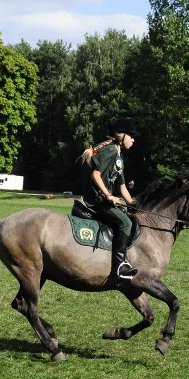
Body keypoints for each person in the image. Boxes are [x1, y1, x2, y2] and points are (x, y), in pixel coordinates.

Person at [80, 117, 139, 282]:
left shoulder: (119, 158)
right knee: (125, 223)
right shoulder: (111, 151)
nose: (133, 140)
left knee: (128, 217)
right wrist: (108, 195)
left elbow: (122, 188)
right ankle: (119, 266)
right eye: (131, 136)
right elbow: (95, 174)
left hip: (105, 199)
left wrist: (134, 204)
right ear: (121, 136)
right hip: (97, 199)